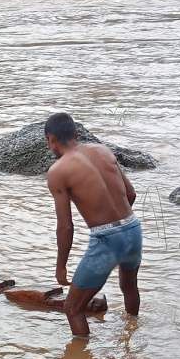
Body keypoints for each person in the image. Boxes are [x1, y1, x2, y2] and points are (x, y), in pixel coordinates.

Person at [44, 112, 142, 338]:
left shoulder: (58, 171)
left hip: (107, 239)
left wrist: (61, 266)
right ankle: (132, 338)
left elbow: (66, 226)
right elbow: (131, 193)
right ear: (76, 134)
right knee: (129, 286)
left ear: (50, 139)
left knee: (73, 308)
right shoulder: (103, 151)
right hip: (133, 228)